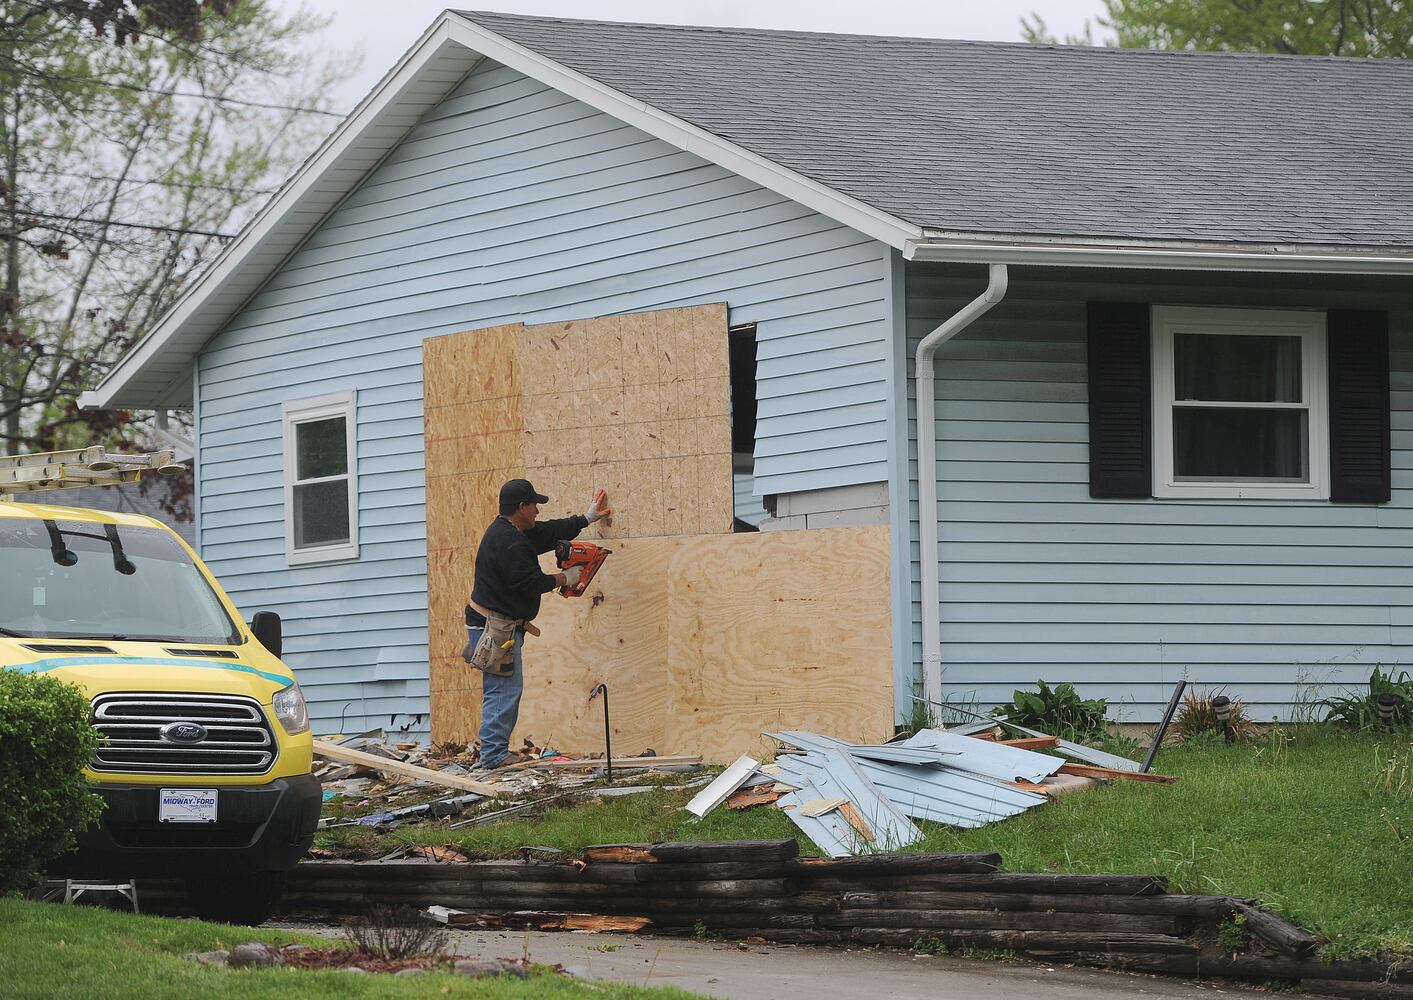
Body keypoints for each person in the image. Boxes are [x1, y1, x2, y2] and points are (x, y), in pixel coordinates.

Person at [464, 478, 611, 769]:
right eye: (534, 506)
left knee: (503, 688)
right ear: (521, 507)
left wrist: (586, 518)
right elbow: (527, 582)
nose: (538, 512)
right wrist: (564, 578)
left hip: (497, 625)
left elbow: (549, 531)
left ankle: (494, 752)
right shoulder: (508, 542)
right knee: (503, 690)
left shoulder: (516, 531)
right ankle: (493, 756)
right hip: (494, 629)